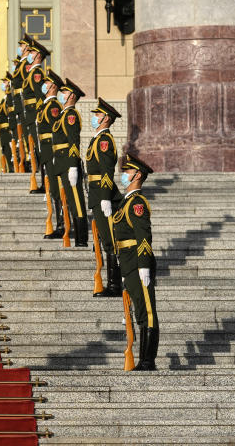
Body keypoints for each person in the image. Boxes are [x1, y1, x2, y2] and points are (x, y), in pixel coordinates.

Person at [113, 153, 159, 371]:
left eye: (127, 171)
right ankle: (142, 359)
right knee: (140, 311)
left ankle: (148, 360)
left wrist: (143, 265)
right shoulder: (126, 202)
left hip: (138, 264)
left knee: (147, 311)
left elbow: (143, 237)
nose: (123, 175)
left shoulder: (137, 203)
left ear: (137, 175)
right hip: (128, 264)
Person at [86, 98, 123, 297]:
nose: (94, 117)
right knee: (106, 238)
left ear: (106, 118)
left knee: (110, 240)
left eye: (98, 115)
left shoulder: (104, 140)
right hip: (97, 193)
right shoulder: (98, 138)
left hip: (102, 194)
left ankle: (115, 285)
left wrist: (106, 197)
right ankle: (113, 283)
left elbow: (107, 170)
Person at [52, 78, 88, 247]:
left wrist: (73, 165)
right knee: (68, 201)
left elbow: (74, 141)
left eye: (64, 92)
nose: (61, 95)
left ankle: (82, 238)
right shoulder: (63, 115)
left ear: (71, 96)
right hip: (61, 162)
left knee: (76, 202)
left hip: (68, 163)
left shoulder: (71, 115)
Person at [37, 70, 64, 239]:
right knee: (53, 190)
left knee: (57, 191)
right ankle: (60, 223)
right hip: (47, 154)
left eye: (46, 83)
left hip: (53, 154)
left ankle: (63, 225)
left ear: (53, 86)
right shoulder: (46, 106)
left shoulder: (53, 107)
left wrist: (56, 154)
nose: (44, 86)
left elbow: (56, 132)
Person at [20, 39, 49, 193]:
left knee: (41, 151)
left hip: (36, 117)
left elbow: (39, 96)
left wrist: (39, 116)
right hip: (31, 117)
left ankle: (46, 184)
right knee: (38, 151)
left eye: (31, 52)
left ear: (38, 55)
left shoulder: (36, 73)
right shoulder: (32, 73)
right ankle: (44, 182)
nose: (28, 54)